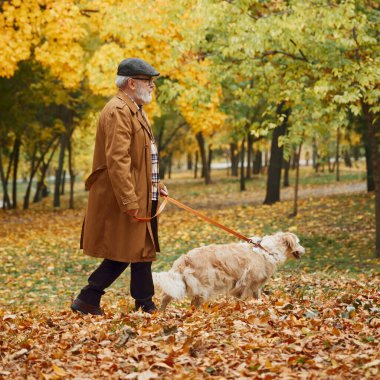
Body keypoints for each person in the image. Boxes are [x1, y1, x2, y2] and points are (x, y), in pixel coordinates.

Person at [71, 58, 167, 316]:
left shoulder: (135, 109)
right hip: (122, 195)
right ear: (131, 83)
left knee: (140, 249)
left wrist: (158, 185)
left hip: (139, 191)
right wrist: (129, 200)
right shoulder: (118, 111)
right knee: (128, 250)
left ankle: (143, 303)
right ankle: (90, 297)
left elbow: (143, 158)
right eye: (148, 82)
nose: (151, 87)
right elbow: (118, 160)